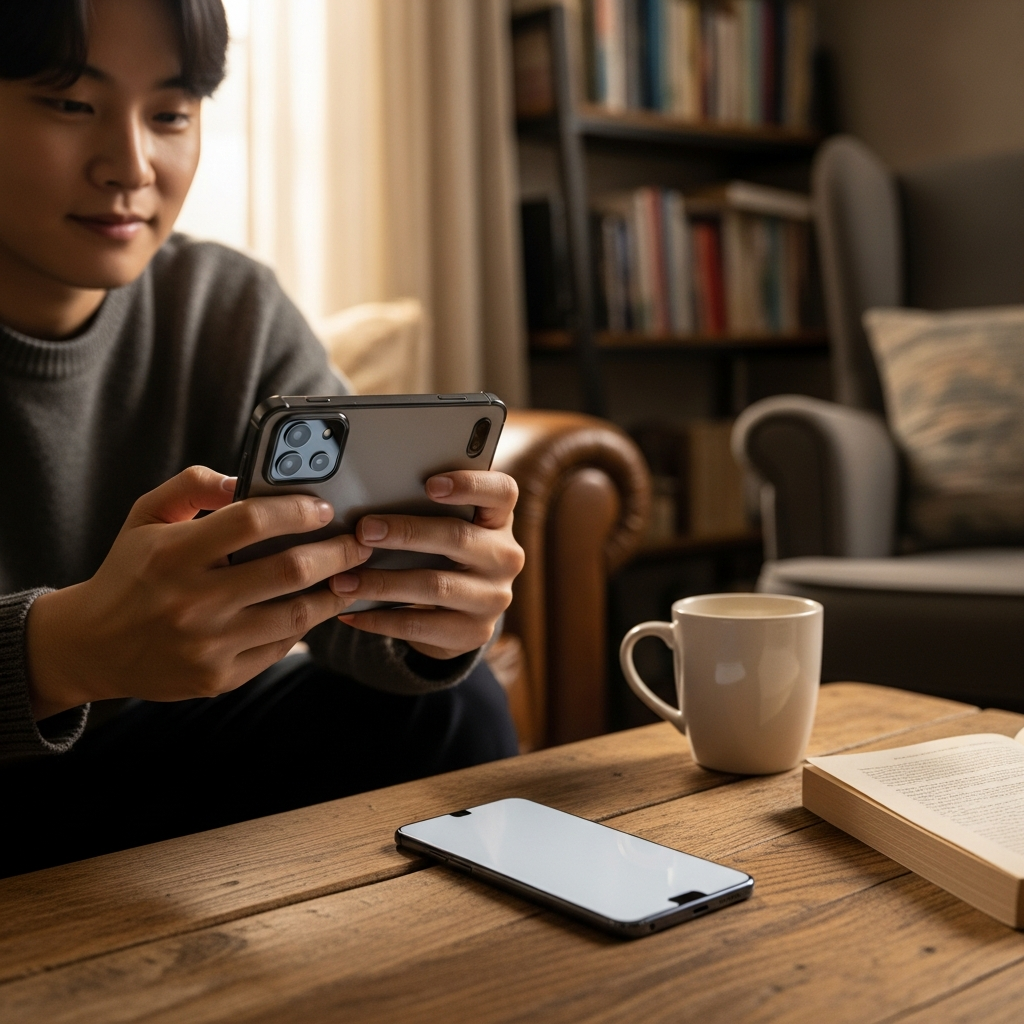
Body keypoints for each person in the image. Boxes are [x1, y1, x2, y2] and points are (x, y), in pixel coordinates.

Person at [0, 0, 524, 877]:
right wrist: (63, 649)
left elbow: (349, 604)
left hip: (133, 778)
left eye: (169, 114)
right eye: (69, 103)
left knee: (452, 704)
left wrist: (428, 609)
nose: (130, 165)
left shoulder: (225, 309)